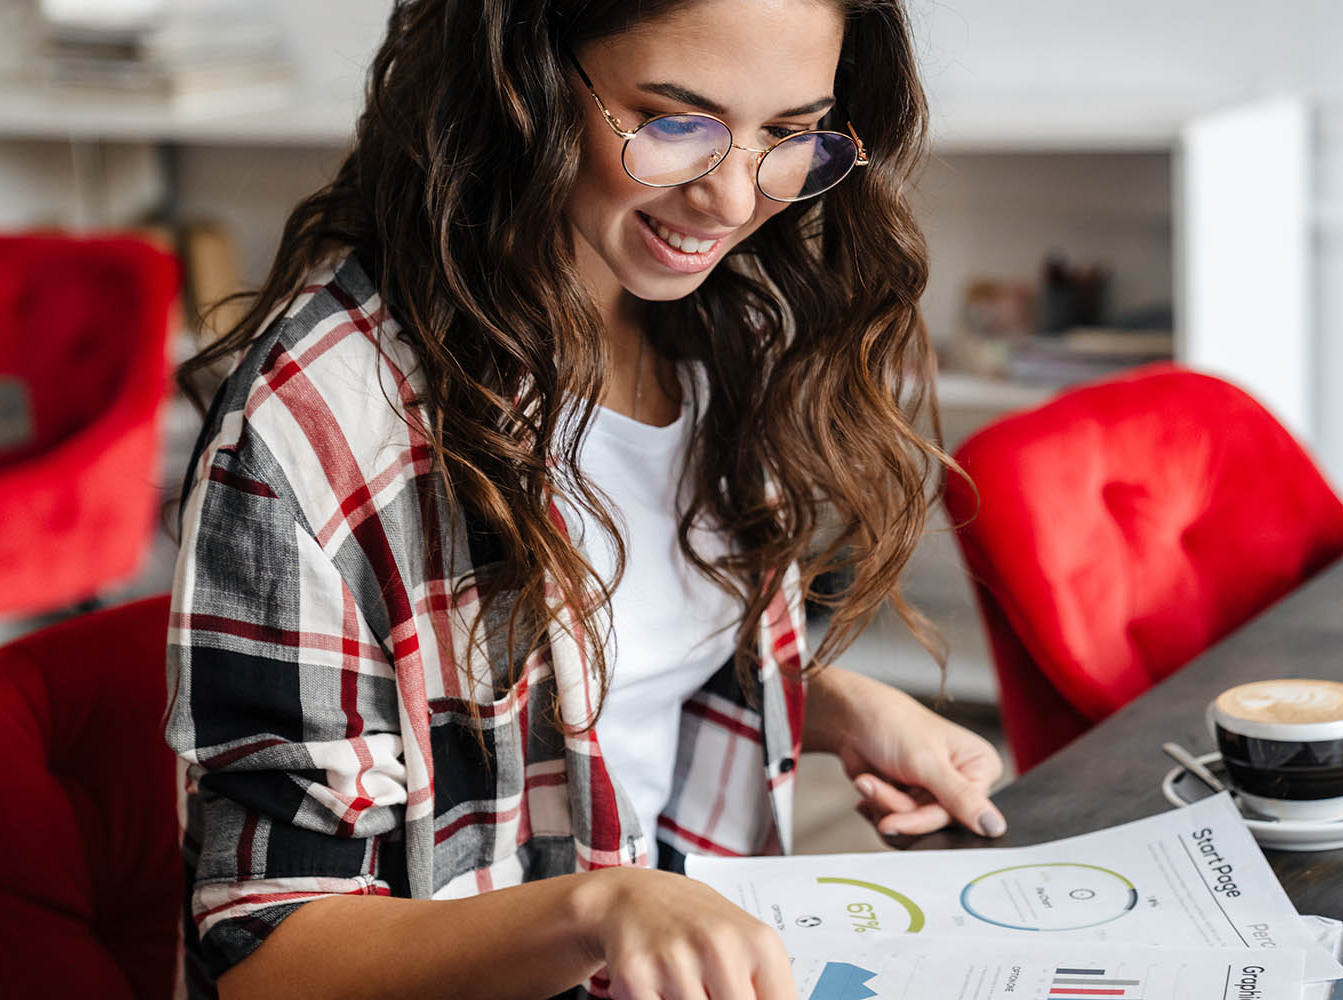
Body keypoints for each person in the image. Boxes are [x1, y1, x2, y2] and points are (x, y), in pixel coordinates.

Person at [164, 0, 1005, 997]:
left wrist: (833, 705)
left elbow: (602, 680)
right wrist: (596, 909)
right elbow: (268, 958)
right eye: (673, 122)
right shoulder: (319, 427)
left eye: (786, 133)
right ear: (518, 80)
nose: (732, 199)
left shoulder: (713, 331)